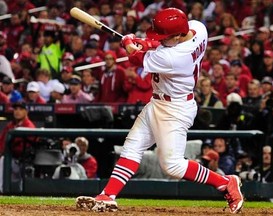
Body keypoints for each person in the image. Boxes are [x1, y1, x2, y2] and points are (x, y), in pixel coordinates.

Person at [76, 8, 243, 214]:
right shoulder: (198, 28)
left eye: (164, 36)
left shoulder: (174, 57)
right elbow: (161, 44)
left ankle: (225, 182)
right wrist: (147, 43)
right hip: (158, 102)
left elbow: (136, 59)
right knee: (132, 147)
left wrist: (129, 43)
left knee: (172, 166)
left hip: (175, 109)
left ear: (180, 34)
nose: (160, 39)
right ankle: (108, 195)